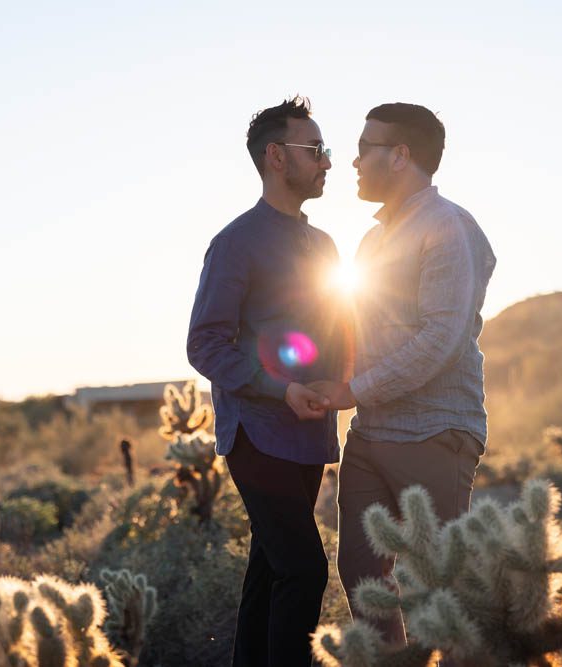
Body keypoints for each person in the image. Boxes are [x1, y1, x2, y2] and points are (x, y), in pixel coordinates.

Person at [310, 103, 496, 648]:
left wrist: (354, 390)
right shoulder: (372, 242)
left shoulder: (448, 227)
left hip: (435, 429)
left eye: (364, 148)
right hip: (370, 432)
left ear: (400, 156)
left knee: (444, 587)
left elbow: (442, 338)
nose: (353, 161)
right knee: (363, 579)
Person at [186, 96, 348, 666]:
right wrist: (280, 389)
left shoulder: (324, 246)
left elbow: (333, 332)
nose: (327, 161)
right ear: (276, 157)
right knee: (304, 570)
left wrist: (343, 382)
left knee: (270, 573)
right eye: (316, 149)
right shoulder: (235, 243)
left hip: (308, 434)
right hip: (257, 433)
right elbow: (205, 343)